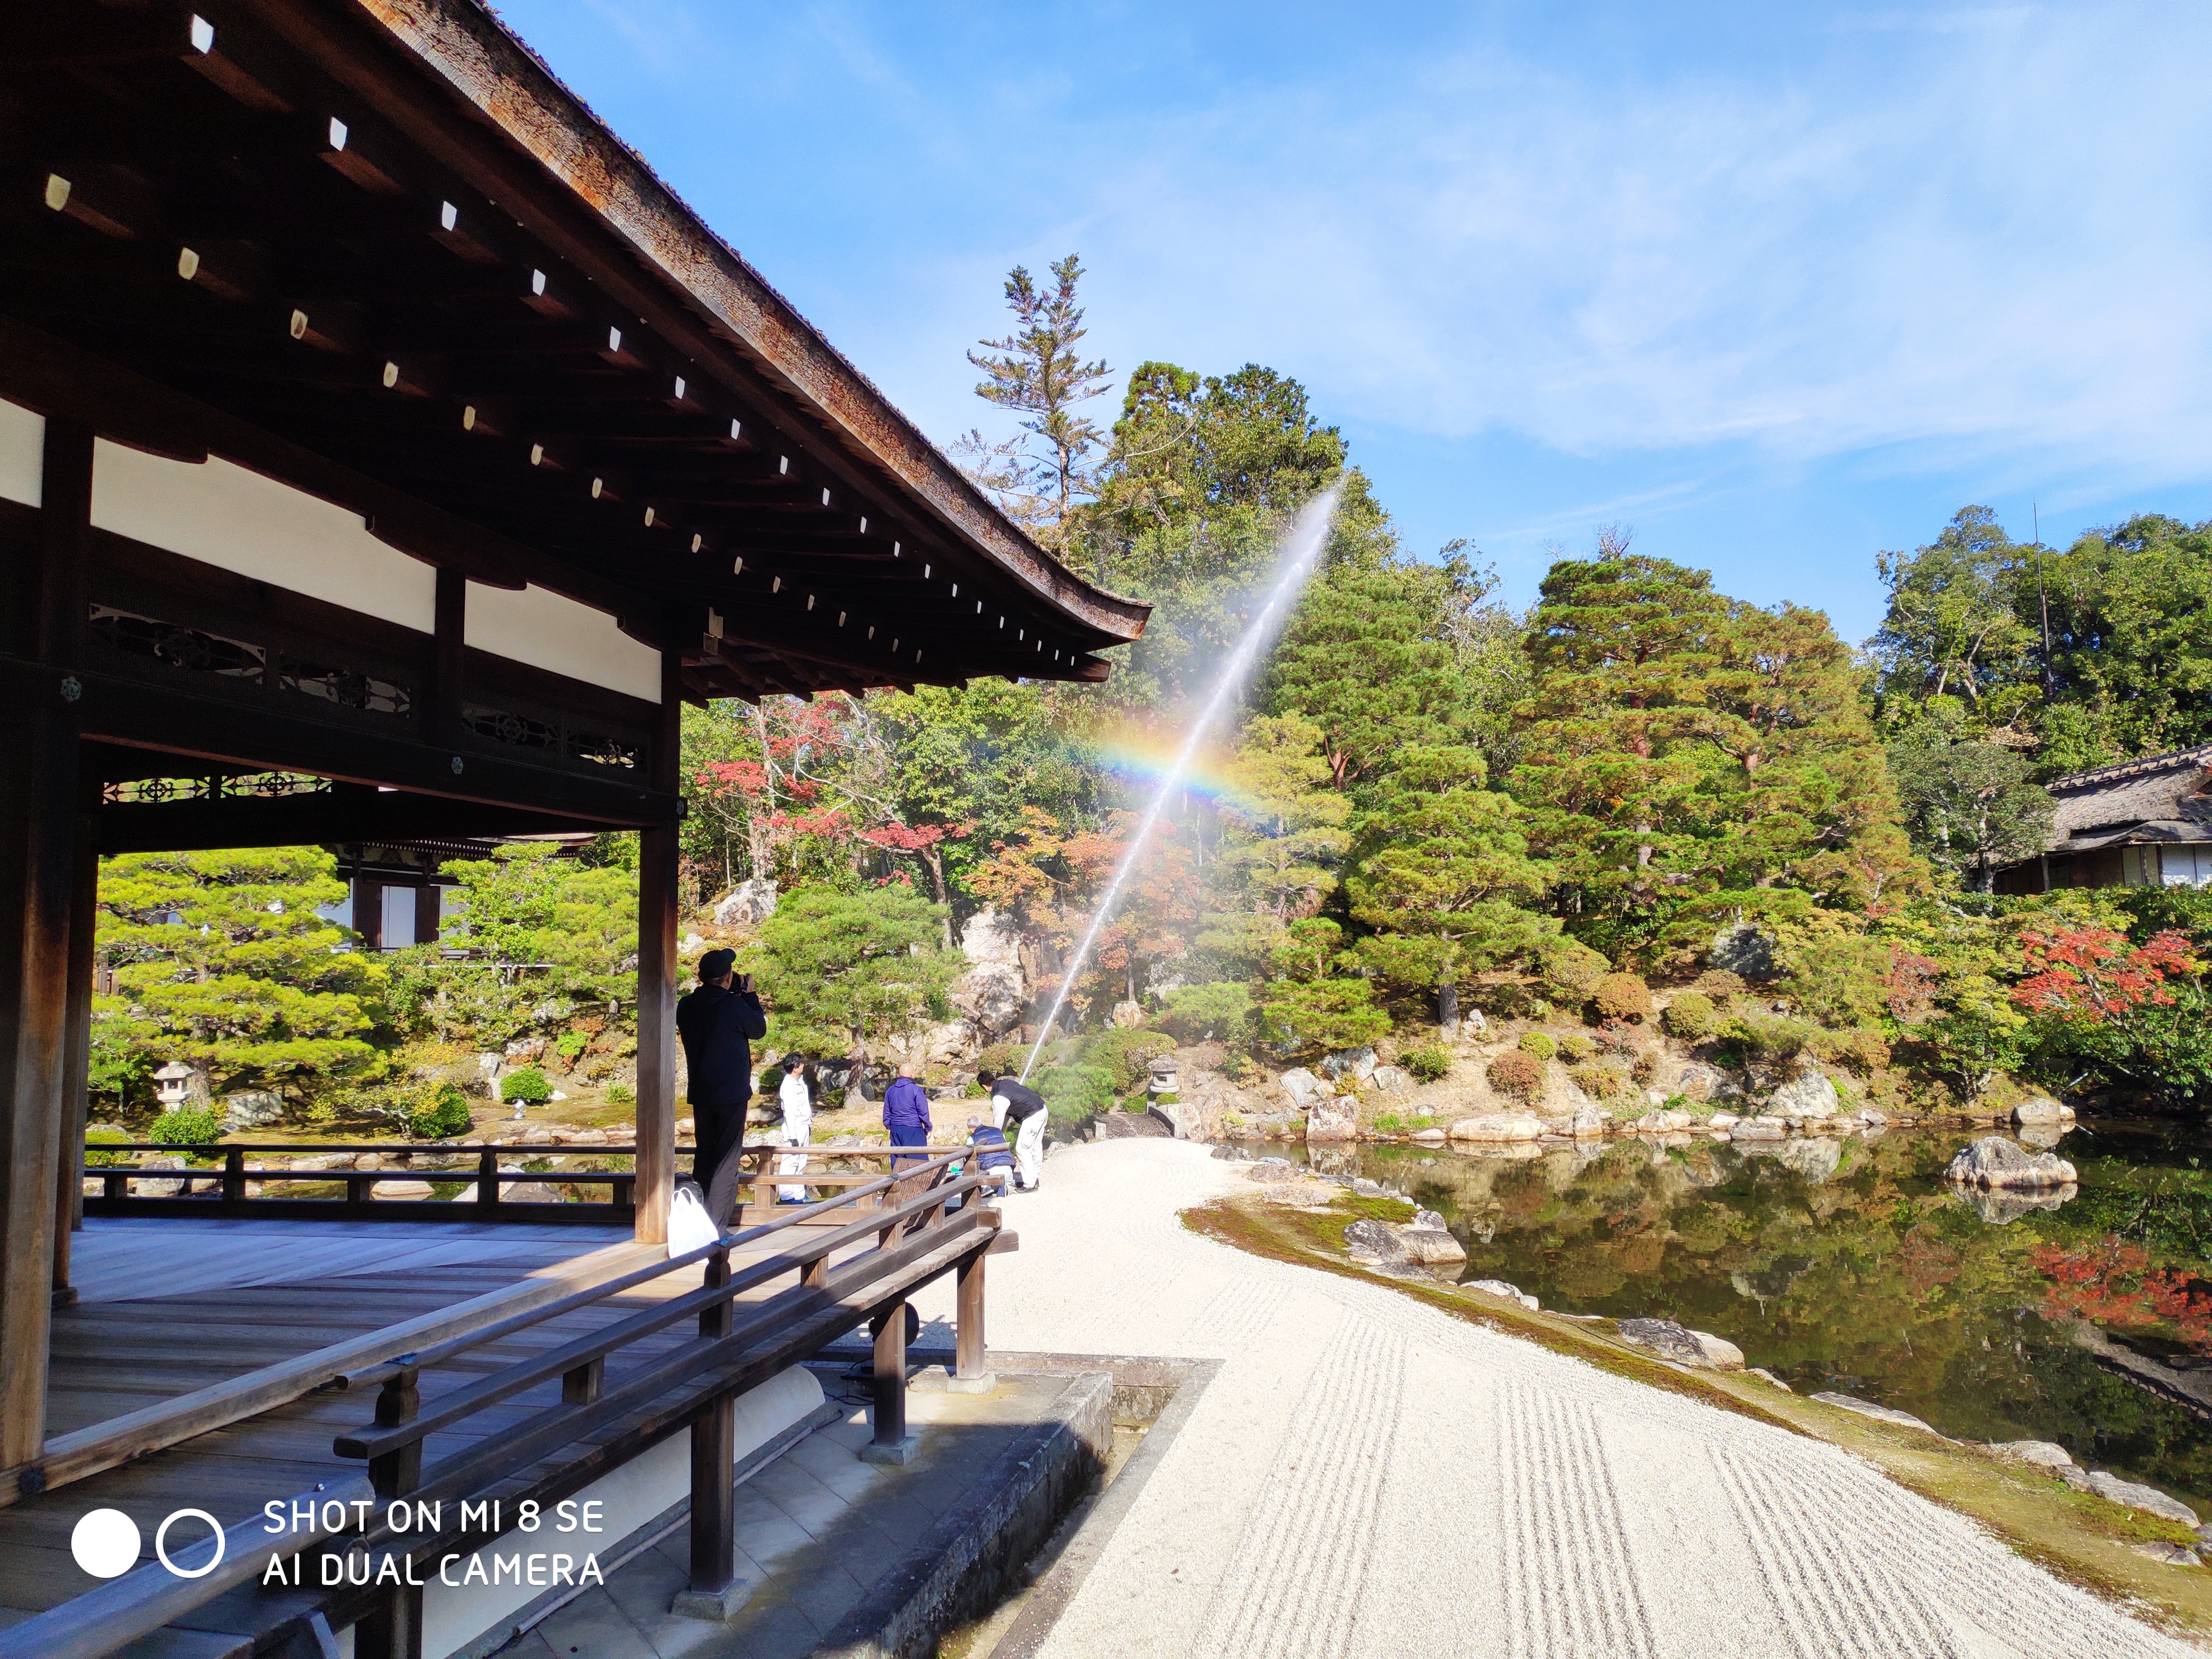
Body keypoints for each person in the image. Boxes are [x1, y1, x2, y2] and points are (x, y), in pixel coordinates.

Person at [674, 948, 768, 1229]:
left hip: (702, 1093)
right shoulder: (733, 1006)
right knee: (727, 1161)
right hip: (732, 1094)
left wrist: (735, 998)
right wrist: (749, 996)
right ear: (728, 976)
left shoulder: (686, 1005)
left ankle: (697, 1221)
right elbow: (758, 1029)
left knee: (705, 1156)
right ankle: (714, 1230)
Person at [978, 1067, 1047, 1193]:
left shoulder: (998, 1097)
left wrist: (996, 1136)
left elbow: (998, 1121)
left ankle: (1030, 1184)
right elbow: (1007, 1113)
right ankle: (1034, 1177)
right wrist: (1002, 1129)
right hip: (1042, 1110)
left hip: (1032, 1116)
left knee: (1022, 1149)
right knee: (1035, 1147)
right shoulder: (1006, 1083)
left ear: (984, 1086)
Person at [775, 1054, 813, 1204]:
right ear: (795, 1068)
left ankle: (799, 1194)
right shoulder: (788, 1086)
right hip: (794, 1127)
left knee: (801, 1161)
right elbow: (790, 1113)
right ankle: (787, 1196)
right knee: (790, 1162)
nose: (803, 1065)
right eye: (800, 1064)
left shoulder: (800, 1083)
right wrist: (793, 1136)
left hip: (804, 1125)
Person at [882, 1061, 932, 1169]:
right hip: (913, 1130)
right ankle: (920, 1185)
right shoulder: (916, 1090)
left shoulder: (890, 1091)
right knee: (919, 1164)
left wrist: (889, 1126)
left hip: (896, 1130)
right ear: (912, 1074)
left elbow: (887, 1113)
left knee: (898, 1166)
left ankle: (896, 1185)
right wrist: (928, 1127)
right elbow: (923, 1111)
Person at [964, 1115, 1015, 1198]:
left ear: (971, 1129)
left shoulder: (972, 1138)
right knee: (1010, 1183)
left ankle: (989, 1187)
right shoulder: (999, 1132)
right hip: (1007, 1166)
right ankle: (1006, 1188)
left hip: (989, 1169)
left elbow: (969, 1158)